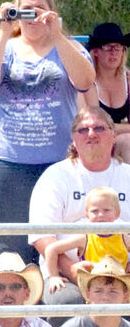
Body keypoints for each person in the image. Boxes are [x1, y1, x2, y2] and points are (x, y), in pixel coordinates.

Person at [0, 0, 95, 262]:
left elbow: (85, 81)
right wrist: (4, 33)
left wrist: (57, 35)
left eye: (39, 9)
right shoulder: (6, 48)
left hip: (57, 162)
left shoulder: (69, 48)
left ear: (52, 13)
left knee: (57, 242)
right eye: (25, 10)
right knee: (13, 248)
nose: (33, 16)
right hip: (8, 163)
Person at [28, 107, 130, 307]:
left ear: (113, 135)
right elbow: (40, 236)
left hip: (123, 273)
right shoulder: (55, 176)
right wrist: (73, 270)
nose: (91, 134)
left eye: (99, 128)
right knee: (67, 301)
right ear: (74, 140)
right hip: (66, 274)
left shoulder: (127, 175)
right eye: (83, 130)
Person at [46, 187, 130, 294]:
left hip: (119, 289)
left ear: (117, 214)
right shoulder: (85, 238)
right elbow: (51, 249)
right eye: (95, 211)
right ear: (87, 215)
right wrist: (54, 276)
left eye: (106, 210)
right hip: (94, 290)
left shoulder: (122, 237)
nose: (100, 215)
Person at [85, 22, 130, 157]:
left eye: (118, 47)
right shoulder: (87, 81)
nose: (114, 52)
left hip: (119, 140)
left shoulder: (128, 79)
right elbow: (95, 125)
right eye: (108, 47)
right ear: (96, 52)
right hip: (91, 140)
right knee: (126, 141)